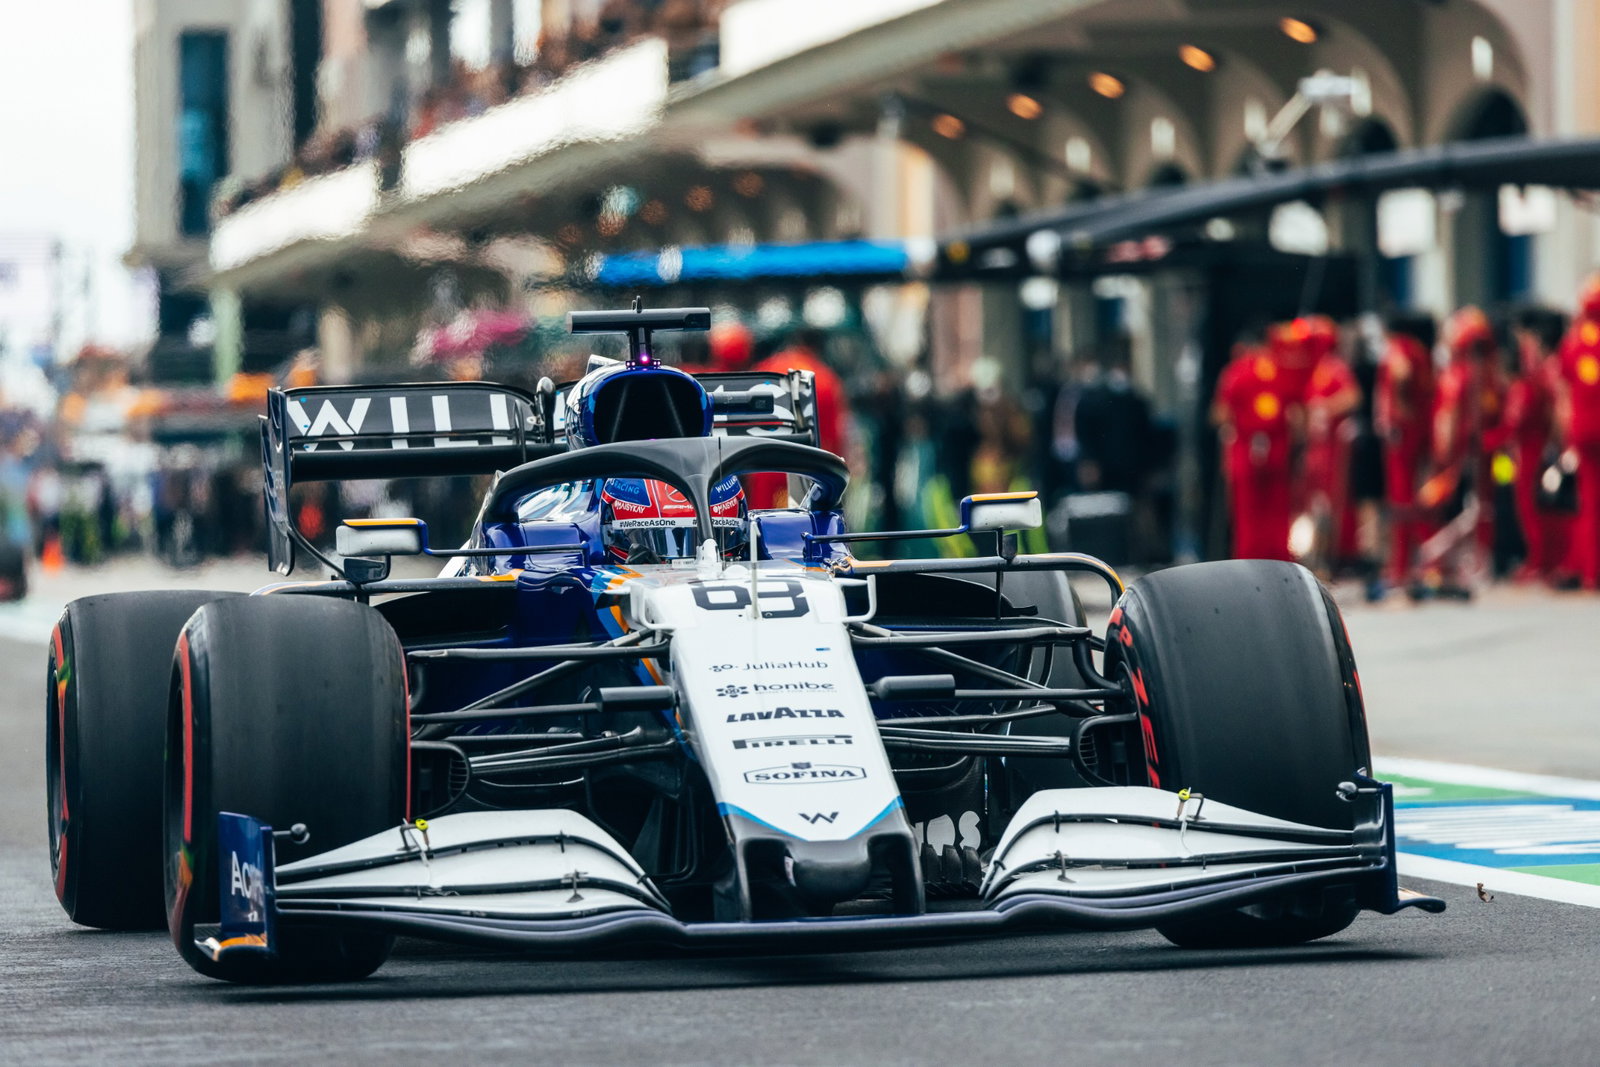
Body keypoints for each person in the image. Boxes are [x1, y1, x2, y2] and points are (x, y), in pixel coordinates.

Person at [1212, 335, 1297, 561]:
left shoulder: (1236, 371)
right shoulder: (1283, 369)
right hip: (1277, 451)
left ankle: (1249, 563)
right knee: (1278, 514)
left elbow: (1220, 414)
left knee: (1247, 515)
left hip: (1245, 450)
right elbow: (1298, 415)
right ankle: (1279, 563)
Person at [1375, 314, 1437, 591]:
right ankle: (1423, 559)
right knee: (1416, 496)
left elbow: (1401, 373)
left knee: (1401, 499)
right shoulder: (1422, 353)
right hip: (1419, 429)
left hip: (1402, 433)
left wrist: (1397, 409)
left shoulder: (1400, 348)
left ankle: (1401, 566)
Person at [1503, 308, 1566, 580]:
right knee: (1536, 504)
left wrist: (1558, 442)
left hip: (1540, 443)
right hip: (1539, 441)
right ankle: (1542, 558)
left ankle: (1543, 561)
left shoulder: (1549, 367)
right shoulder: (1542, 368)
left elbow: (1557, 409)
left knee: (1533, 504)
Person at [1300, 315, 1362, 570]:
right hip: (1314, 449)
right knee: (1313, 502)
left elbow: (1353, 396)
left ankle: (1337, 555)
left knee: (1334, 502)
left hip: (1332, 450)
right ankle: (1316, 553)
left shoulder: (1334, 368)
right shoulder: (1311, 370)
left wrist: (1326, 408)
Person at [1557, 277, 1600, 589]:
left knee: (1589, 502)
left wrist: (1565, 439)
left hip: (1584, 433)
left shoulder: (1572, 342)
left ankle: (1590, 572)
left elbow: (1562, 397)